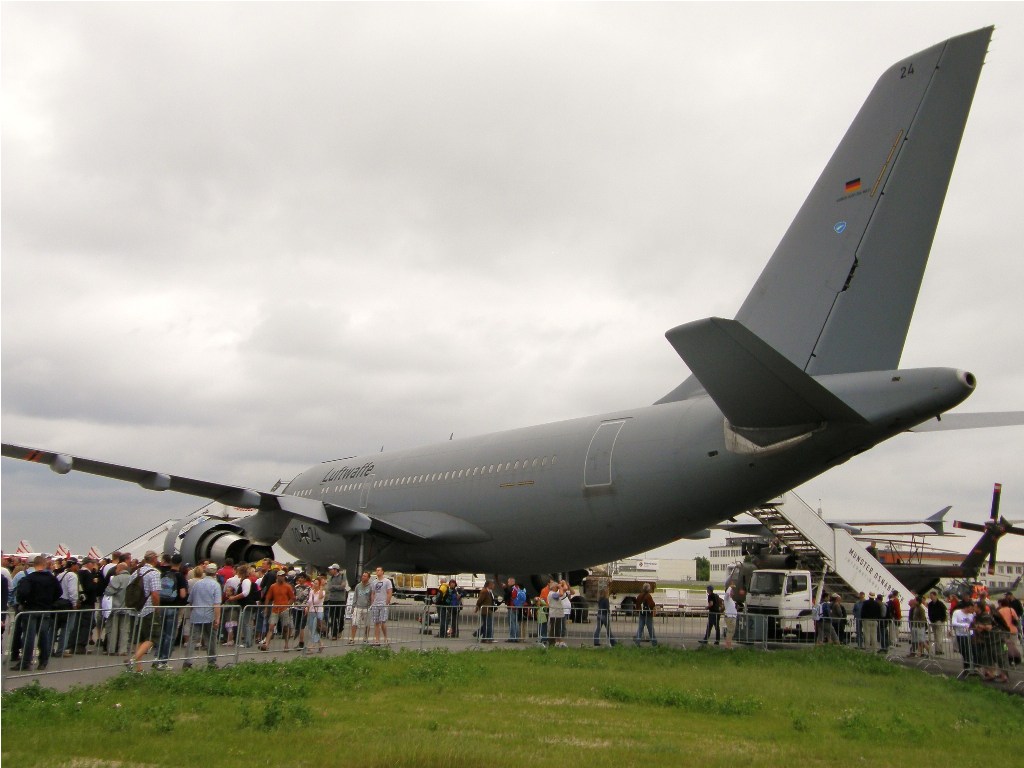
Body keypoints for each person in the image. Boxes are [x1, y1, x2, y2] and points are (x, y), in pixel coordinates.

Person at [12, 556, 61, 671]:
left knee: (29, 636)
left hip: (31, 609)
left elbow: (22, 592)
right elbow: (59, 592)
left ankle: (25, 662)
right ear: (44, 564)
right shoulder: (51, 578)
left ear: (34, 565)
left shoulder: (29, 578)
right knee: (43, 636)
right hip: (45, 609)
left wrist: (23, 602)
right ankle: (43, 661)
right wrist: (50, 601)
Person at [127, 551, 162, 674]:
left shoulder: (135, 572)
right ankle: (133, 660)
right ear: (154, 559)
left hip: (135, 608)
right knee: (152, 637)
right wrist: (157, 607)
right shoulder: (154, 573)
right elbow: (155, 594)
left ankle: (139, 668)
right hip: (148, 609)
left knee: (140, 639)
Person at [184, 563, 222, 669]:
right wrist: (217, 618)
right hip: (209, 615)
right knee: (211, 638)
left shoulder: (197, 584)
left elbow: (190, 600)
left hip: (196, 614)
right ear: (215, 573)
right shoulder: (216, 585)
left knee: (193, 638)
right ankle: (211, 661)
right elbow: (217, 604)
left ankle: (188, 662)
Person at [260, 569, 295, 652]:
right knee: (271, 627)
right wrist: (266, 608)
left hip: (284, 609)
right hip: (275, 609)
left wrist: (287, 605)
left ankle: (286, 645)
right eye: (280, 576)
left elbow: (292, 597)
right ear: (277, 577)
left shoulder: (288, 586)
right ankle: (267, 644)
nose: (281, 577)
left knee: (285, 628)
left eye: (283, 576)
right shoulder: (273, 586)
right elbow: (268, 597)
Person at [103, 562, 133, 655]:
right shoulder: (132, 578)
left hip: (115, 607)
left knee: (113, 629)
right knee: (125, 630)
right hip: (128, 607)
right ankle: (122, 650)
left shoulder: (117, 578)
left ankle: (111, 649)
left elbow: (108, 591)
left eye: (116, 569)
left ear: (119, 569)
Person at [324, 564, 349, 640]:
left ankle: (340, 629)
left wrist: (334, 587)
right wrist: (337, 587)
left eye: (331, 569)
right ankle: (334, 634)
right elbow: (329, 587)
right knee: (333, 617)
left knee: (340, 616)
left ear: (335, 570)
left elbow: (343, 586)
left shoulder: (342, 576)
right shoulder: (330, 578)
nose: (330, 571)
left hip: (340, 599)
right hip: (332, 600)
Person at [950, 600, 975, 671]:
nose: (972, 610)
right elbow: (954, 623)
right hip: (960, 634)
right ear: (967, 607)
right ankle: (967, 664)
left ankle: (968, 666)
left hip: (970, 634)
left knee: (969, 650)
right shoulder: (957, 612)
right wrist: (964, 625)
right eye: (971, 608)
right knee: (962, 650)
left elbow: (973, 623)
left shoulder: (971, 615)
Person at [371, 566, 393, 645]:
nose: (377, 572)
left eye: (379, 570)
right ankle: (377, 639)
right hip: (376, 604)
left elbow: (389, 592)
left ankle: (386, 637)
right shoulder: (374, 582)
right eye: (376, 570)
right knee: (376, 622)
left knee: (382, 622)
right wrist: (372, 602)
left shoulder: (387, 581)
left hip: (383, 604)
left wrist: (387, 601)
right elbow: (373, 593)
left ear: (382, 572)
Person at [303, 575, 326, 654]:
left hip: (318, 612)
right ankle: (321, 644)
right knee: (311, 627)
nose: (314, 585)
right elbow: (309, 601)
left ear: (319, 584)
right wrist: (307, 608)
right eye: (314, 583)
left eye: (316, 583)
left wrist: (321, 587)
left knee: (314, 629)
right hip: (311, 611)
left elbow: (320, 598)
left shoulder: (322, 592)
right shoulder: (311, 592)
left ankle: (311, 646)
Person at [348, 571, 372, 645]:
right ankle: (352, 638)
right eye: (362, 576)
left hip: (367, 607)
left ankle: (365, 638)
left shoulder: (371, 586)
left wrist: (371, 605)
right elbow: (355, 597)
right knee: (354, 623)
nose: (363, 577)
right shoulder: (358, 586)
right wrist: (353, 607)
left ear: (368, 578)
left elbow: (372, 597)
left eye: (365, 576)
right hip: (358, 606)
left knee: (367, 624)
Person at [633, 582, 657, 647]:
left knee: (640, 629)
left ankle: (637, 643)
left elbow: (637, 605)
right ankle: (654, 643)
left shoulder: (639, 596)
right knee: (651, 629)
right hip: (648, 615)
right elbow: (652, 605)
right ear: (648, 589)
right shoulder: (648, 596)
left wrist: (639, 611)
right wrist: (654, 611)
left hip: (641, 614)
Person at [547, 580, 568, 648]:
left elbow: (565, 589)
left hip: (558, 614)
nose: (557, 588)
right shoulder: (552, 594)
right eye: (556, 587)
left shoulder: (554, 593)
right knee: (554, 629)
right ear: (553, 587)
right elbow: (561, 594)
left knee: (558, 629)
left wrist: (563, 583)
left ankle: (558, 642)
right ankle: (552, 643)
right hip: (554, 614)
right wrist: (560, 587)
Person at [926, 591, 948, 656]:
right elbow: (929, 612)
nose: (931, 597)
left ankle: (939, 649)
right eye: (930, 596)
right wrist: (930, 619)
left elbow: (944, 612)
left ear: (935, 596)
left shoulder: (940, 604)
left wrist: (942, 620)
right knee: (936, 636)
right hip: (933, 621)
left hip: (939, 621)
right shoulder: (930, 604)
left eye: (932, 596)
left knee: (939, 636)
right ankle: (937, 649)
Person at [505, 577, 526, 642]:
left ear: (511, 582)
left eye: (508, 582)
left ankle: (512, 637)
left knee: (512, 623)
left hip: (512, 607)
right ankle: (516, 637)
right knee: (516, 623)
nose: (508, 583)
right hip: (517, 607)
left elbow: (508, 596)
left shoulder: (512, 589)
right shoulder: (518, 588)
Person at [723, 583, 738, 649]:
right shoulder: (727, 599)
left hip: (733, 616)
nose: (733, 592)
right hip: (729, 617)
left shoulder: (731, 600)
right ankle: (728, 646)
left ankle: (728, 644)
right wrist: (730, 587)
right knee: (730, 631)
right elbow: (727, 594)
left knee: (731, 631)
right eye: (732, 591)